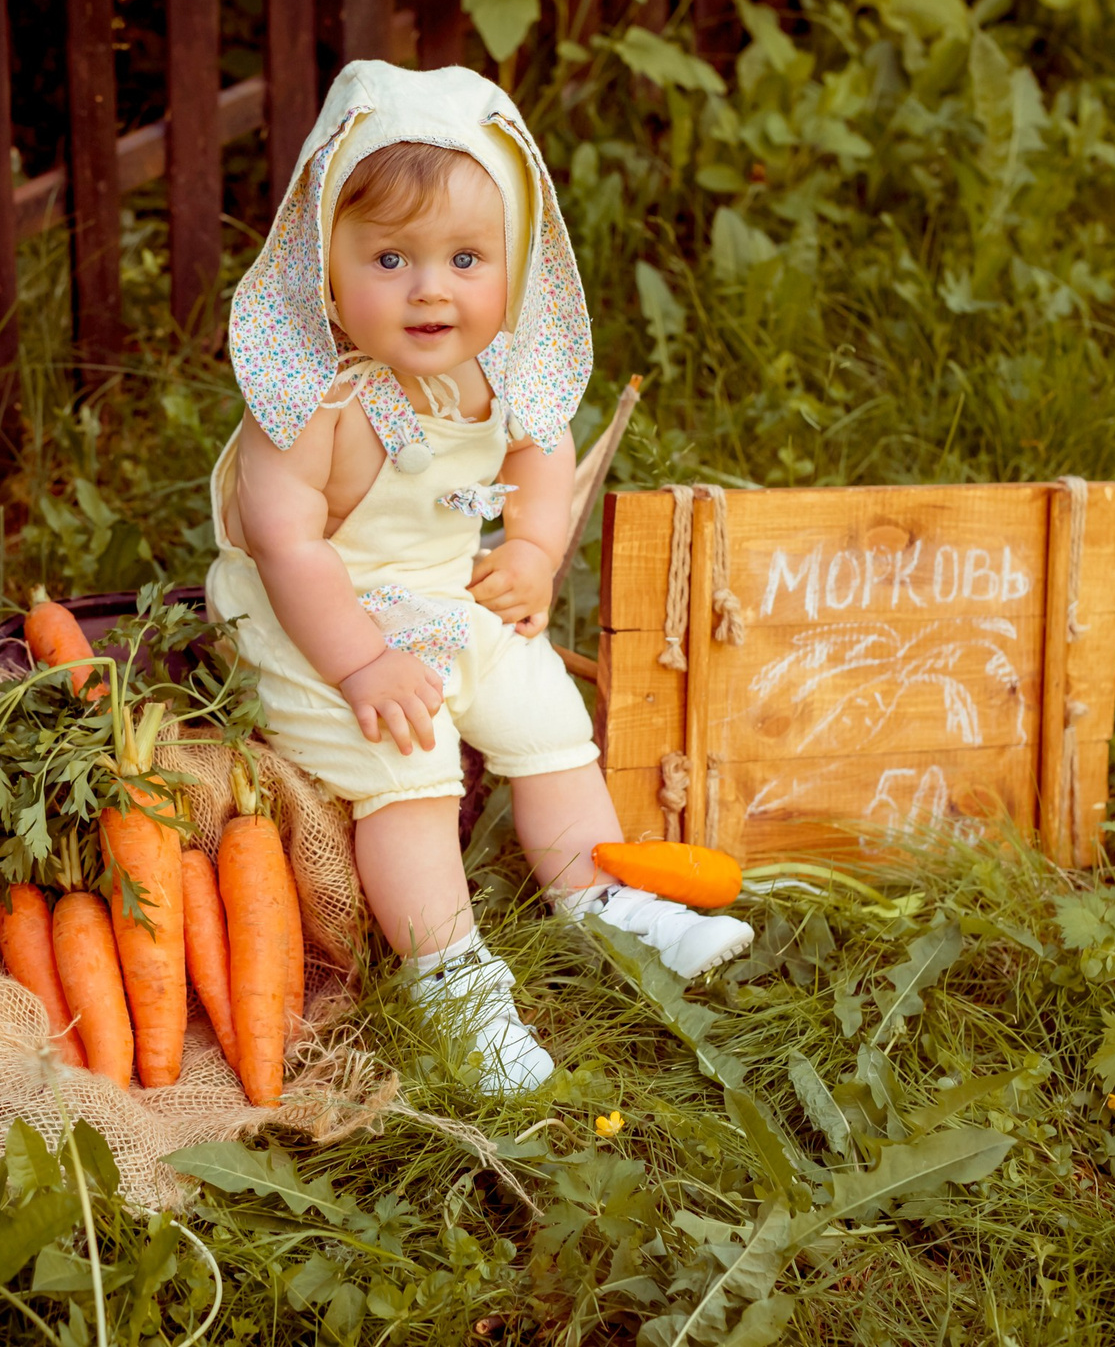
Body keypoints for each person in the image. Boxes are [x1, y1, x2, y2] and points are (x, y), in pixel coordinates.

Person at [206, 60, 753, 1095]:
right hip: (313, 616)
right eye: (390, 258)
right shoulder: (308, 400)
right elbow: (290, 547)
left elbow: (544, 449)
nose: (430, 289)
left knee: (547, 713)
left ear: (515, 265)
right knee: (408, 764)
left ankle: (600, 897)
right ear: (324, 264)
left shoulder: (497, 370)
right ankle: (447, 972)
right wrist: (363, 662)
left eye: (465, 257)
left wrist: (534, 552)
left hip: (442, 590)